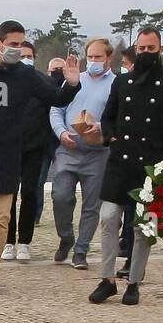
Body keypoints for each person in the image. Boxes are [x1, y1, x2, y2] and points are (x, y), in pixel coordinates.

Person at [0, 20, 80, 295]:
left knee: (0, 218)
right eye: (13, 44)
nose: (18, 50)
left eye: (22, 44)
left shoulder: (26, 74)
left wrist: (71, 84)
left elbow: (55, 98)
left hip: (6, 155)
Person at [90, 26, 163, 306]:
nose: (145, 53)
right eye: (141, 49)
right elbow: (108, 117)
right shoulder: (121, 83)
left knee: (143, 227)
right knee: (108, 218)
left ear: (160, 49)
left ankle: (134, 282)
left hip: (151, 168)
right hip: (120, 161)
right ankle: (107, 279)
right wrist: (110, 135)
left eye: (151, 49)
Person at [49, 37, 115, 269]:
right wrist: (60, 132)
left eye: (98, 57)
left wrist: (101, 128)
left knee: (92, 204)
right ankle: (65, 236)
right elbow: (56, 108)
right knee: (61, 195)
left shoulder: (116, 84)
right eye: (91, 57)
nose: (94, 61)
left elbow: (116, 117)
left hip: (98, 152)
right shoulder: (75, 80)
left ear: (109, 58)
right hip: (69, 147)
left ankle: (81, 250)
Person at [2, 41, 52, 262]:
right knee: (8, 195)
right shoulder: (4, 81)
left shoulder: (43, 82)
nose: (25, 59)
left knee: (30, 193)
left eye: (29, 56)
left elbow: (53, 111)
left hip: (35, 147)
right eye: (21, 55)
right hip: (9, 147)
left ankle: (24, 242)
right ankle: (8, 241)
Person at [35, 56, 65, 224]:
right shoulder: (41, 87)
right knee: (39, 180)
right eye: (55, 71)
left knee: (62, 183)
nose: (57, 74)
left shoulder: (72, 88)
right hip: (43, 140)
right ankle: (35, 215)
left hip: (63, 141)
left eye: (60, 70)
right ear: (48, 71)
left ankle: (62, 216)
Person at [116, 47, 137, 273]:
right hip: (120, 154)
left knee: (137, 213)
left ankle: (133, 259)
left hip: (147, 158)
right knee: (114, 214)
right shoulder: (121, 83)